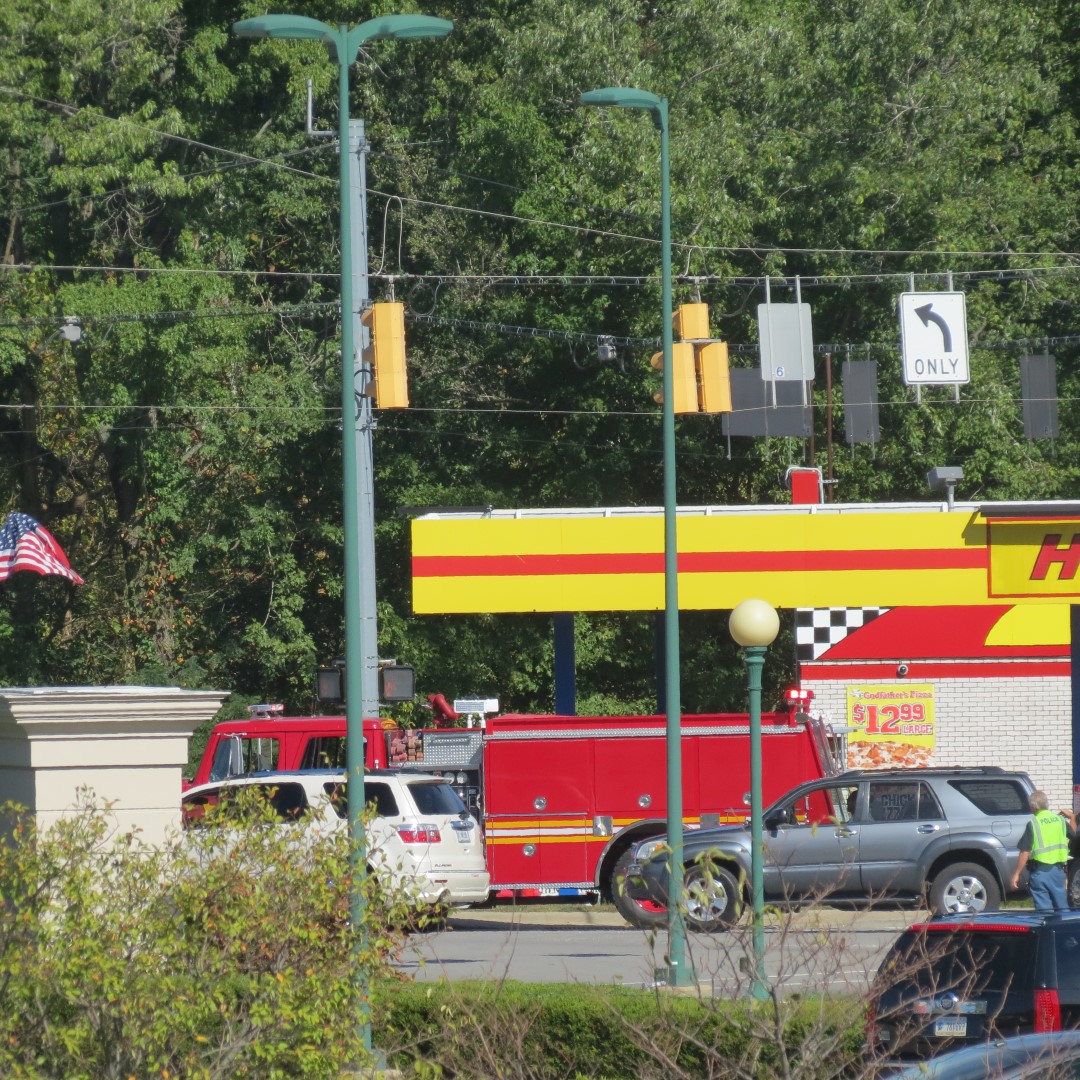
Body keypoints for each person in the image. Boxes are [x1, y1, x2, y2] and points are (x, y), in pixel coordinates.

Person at [1009, 790, 1076, 910]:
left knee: (1044, 912)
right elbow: (1073, 834)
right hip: (1058, 872)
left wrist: (1016, 874)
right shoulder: (1059, 820)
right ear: (1046, 804)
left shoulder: (1033, 823)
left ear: (1033, 807)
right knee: (1062, 908)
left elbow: (1025, 851)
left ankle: (1048, 928)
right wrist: (1072, 817)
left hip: (1040, 873)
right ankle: (1063, 928)